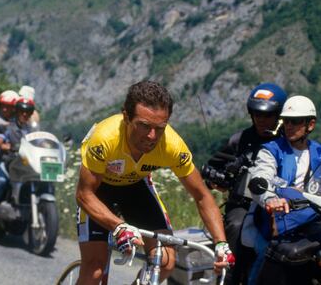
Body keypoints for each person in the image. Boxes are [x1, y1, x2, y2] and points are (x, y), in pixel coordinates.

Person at [75, 80, 234, 285]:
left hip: (135, 189)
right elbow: (83, 194)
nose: (152, 136)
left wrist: (221, 244)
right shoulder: (105, 138)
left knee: (166, 262)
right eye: (144, 126)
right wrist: (119, 226)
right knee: (95, 270)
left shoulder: (172, 146)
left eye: (160, 128)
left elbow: (202, 195)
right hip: (99, 191)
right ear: (126, 117)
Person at [203, 83, 287, 284]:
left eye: (267, 115)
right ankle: (228, 277)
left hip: (280, 205)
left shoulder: (288, 140)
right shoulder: (239, 140)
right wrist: (215, 179)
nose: (261, 119)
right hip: (242, 204)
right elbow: (210, 169)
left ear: (278, 115)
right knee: (236, 225)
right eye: (256, 113)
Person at [243, 95, 321, 285]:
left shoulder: (319, 152)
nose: (289, 126)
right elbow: (260, 177)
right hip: (276, 224)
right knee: (265, 258)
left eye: (295, 121)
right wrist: (269, 198)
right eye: (286, 121)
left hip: (312, 223)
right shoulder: (271, 150)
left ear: (310, 125)